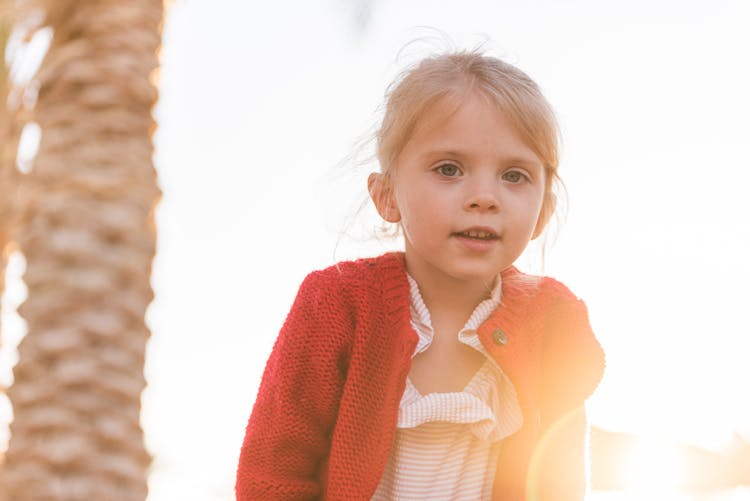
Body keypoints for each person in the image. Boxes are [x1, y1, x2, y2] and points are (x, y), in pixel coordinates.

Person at [236, 49, 605, 501]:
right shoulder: (336, 304)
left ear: (543, 211)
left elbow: (559, 481)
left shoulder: (552, 321)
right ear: (387, 195)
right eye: (449, 169)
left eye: (514, 175)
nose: (484, 197)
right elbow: (274, 473)